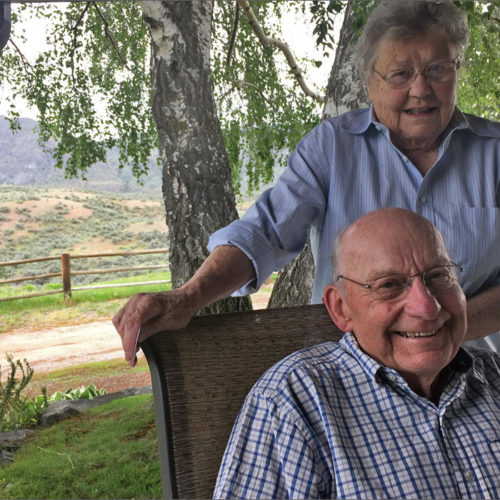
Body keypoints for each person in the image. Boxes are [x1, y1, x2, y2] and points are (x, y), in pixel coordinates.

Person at [113, 0, 500, 366]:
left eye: (437, 69)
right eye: (401, 74)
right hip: (351, 375)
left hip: (479, 376)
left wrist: (444, 324)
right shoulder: (332, 146)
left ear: (457, 70)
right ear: (370, 82)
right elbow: (265, 232)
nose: (421, 89)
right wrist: (188, 297)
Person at [213, 208, 500, 499]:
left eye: (439, 275)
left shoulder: (494, 377)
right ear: (341, 309)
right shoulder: (294, 401)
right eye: (389, 285)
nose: (427, 307)